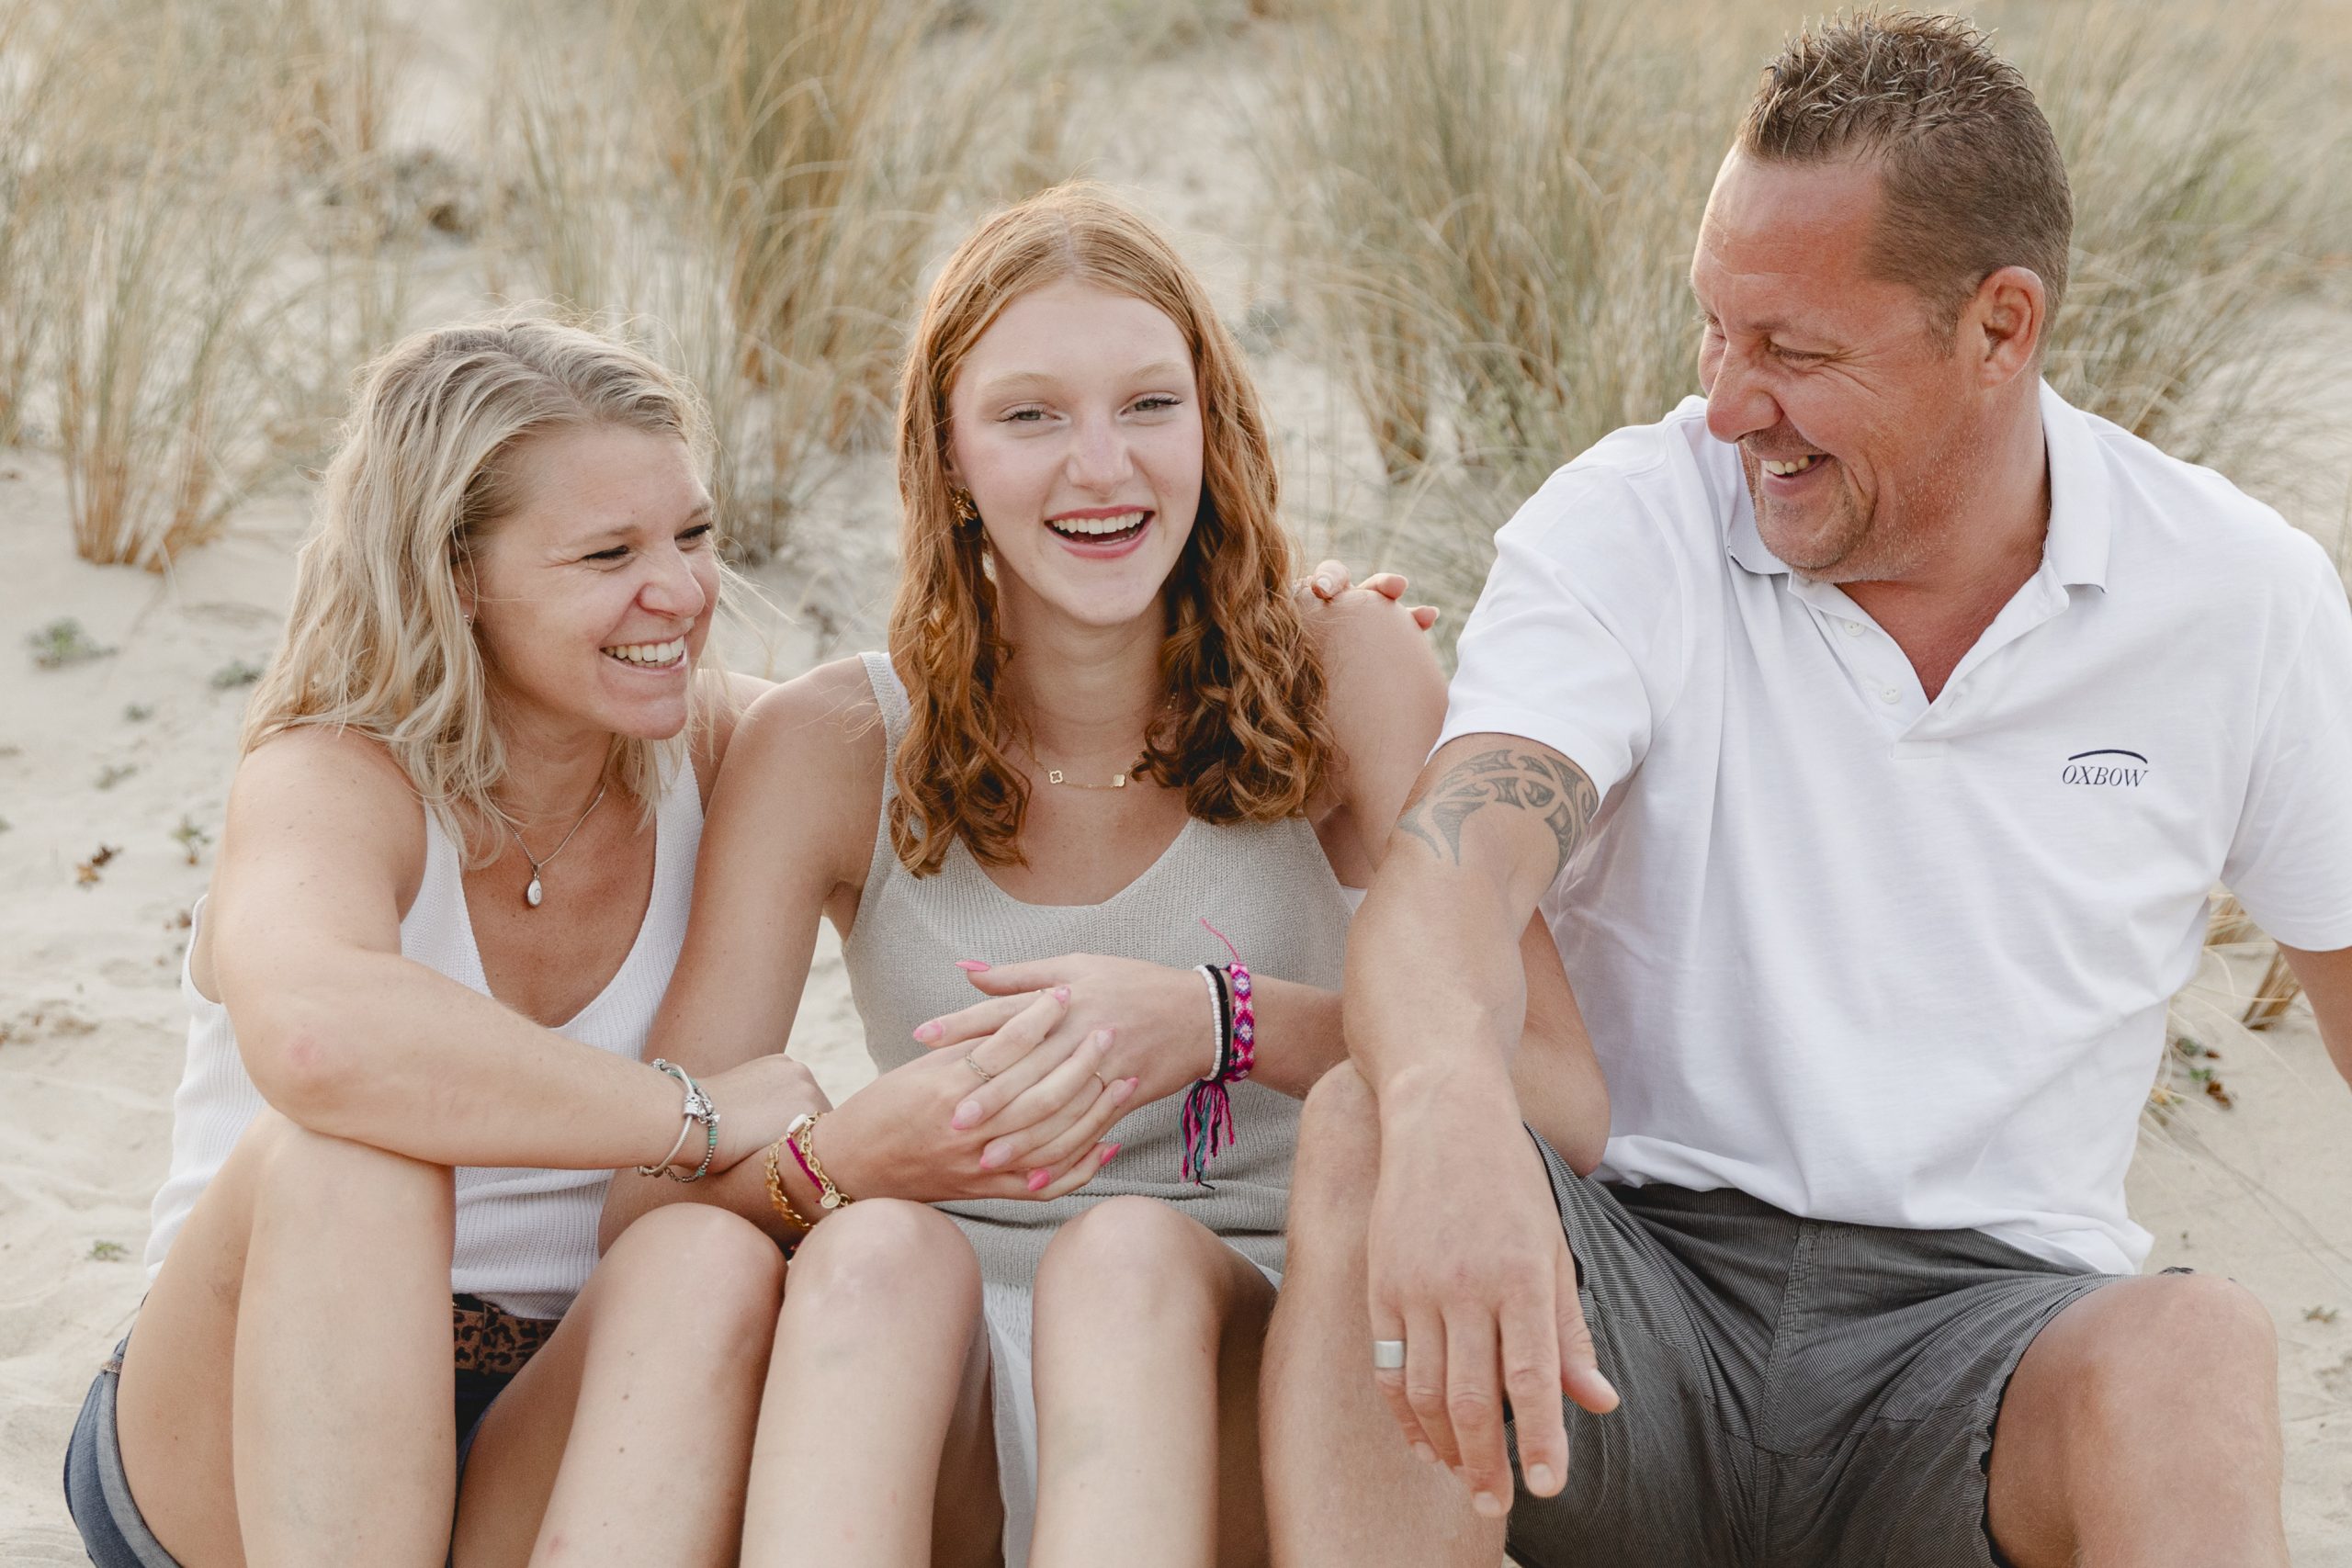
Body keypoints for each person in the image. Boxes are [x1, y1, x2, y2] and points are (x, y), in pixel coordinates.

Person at [1262, 13, 2352, 1568]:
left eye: (1794, 351)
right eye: (1715, 329)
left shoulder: (2239, 596)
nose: (1725, 402)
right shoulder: (1630, 528)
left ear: (2001, 325)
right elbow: (1457, 870)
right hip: (1633, 1299)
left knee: (2195, 1349)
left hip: (1986, 1341)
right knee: (1384, 1123)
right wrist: (1445, 1107)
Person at [603, 181, 1608, 1568]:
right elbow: (647, 1215)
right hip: (934, 1408)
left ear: (1213, 427)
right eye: (1030, 416)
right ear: (947, 457)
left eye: (1148, 405)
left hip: (1261, 1389)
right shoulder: (833, 745)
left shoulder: (1342, 672)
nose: (1102, 467)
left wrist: (1217, 1021)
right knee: (873, 1255)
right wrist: (849, 1160)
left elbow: (1558, 1093)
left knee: (1122, 1260)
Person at [62, 316, 829, 1567]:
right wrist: (688, 1115)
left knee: (704, 1261)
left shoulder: (729, 753)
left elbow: (988, 754)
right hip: (248, 1414)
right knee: (357, 1157)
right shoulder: (335, 774)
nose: (682, 592)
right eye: (607, 553)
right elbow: (319, 1039)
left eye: (692, 534)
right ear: (456, 575)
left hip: (561, 1399)